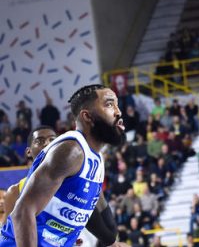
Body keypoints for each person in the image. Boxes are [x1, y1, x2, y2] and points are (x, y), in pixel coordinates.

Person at [0, 84, 125, 247]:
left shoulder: (96, 159)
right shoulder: (72, 150)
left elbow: (100, 222)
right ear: (87, 116)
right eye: (109, 104)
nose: (118, 112)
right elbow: (22, 212)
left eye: (116, 104)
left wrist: (112, 242)